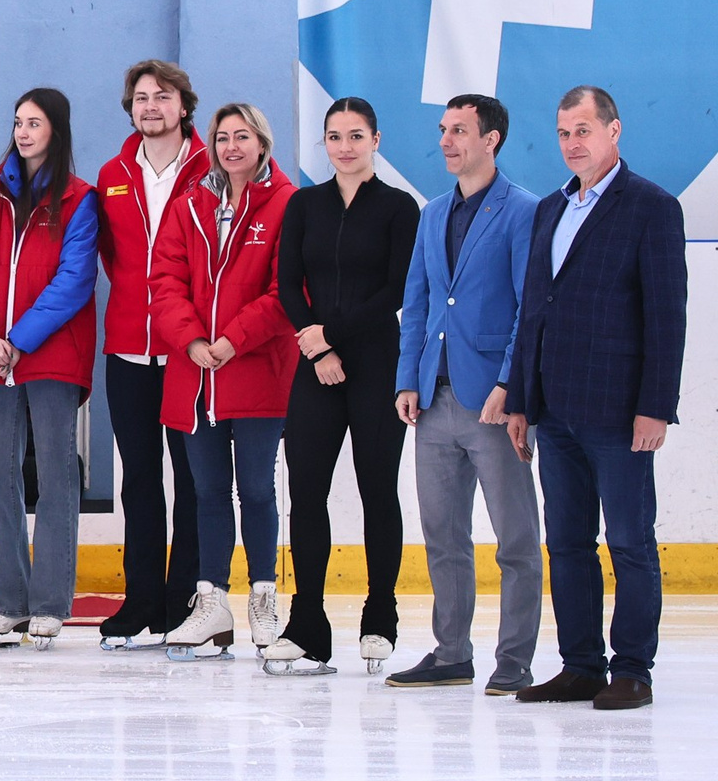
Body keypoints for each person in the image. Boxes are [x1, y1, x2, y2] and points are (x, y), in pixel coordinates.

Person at [509, 86, 688, 711]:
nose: (572, 144)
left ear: (615, 130)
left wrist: (655, 406)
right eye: (563, 133)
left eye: (583, 130)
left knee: (631, 542)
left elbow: (667, 315)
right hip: (554, 410)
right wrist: (522, 402)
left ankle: (632, 668)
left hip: (619, 411)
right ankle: (581, 665)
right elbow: (534, 310)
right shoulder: (549, 211)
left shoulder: (652, 208)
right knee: (567, 543)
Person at [387, 93, 543, 695]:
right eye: (443, 129)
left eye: (460, 130)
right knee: (443, 536)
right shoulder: (431, 215)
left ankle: (515, 660)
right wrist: (408, 378)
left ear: (492, 139)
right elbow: (419, 303)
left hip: (491, 403)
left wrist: (509, 384)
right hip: (433, 400)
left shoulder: (523, 211)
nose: (447, 140)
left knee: (515, 541)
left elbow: (529, 311)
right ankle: (451, 651)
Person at [273, 96, 418, 675]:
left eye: (356, 135)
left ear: (376, 141)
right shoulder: (305, 205)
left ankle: (380, 613)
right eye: (334, 136)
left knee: (377, 488)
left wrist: (329, 335)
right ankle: (307, 622)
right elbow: (286, 283)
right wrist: (317, 344)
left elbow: (397, 290)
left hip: (377, 362)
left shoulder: (399, 208)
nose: (345, 146)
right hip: (316, 366)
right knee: (306, 491)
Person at [151, 102, 296, 660]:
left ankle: (263, 596)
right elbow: (163, 281)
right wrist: (190, 340)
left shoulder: (287, 204)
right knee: (207, 492)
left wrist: (233, 339)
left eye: (242, 136)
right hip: (196, 376)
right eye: (222, 137)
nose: (231, 146)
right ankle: (210, 603)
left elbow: (287, 289)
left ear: (262, 142)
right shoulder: (190, 205)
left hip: (257, 371)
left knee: (257, 489)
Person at [0, 87, 99, 650]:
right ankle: (7, 602)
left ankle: (48, 604)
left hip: (52, 356)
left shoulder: (80, 199)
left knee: (57, 478)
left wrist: (19, 339)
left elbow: (74, 281)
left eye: (34, 123)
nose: (23, 132)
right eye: (17, 122)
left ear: (56, 131)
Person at [93, 59, 206, 649]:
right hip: (128, 351)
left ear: (184, 106)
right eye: (141, 98)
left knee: (193, 478)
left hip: (191, 351)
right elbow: (113, 257)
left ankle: (185, 601)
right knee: (138, 479)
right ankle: (140, 600)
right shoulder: (112, 173)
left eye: (163, 97)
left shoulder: (214, 167)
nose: (151, 107)